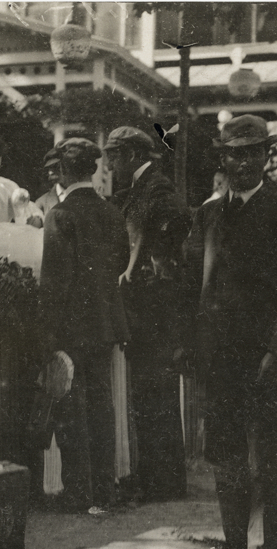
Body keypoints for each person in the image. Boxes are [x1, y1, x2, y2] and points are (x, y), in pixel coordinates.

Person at [179, 115, 277, 549]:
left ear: (266, 156)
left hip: (263, 362)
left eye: (253, 152)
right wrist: (190, 346)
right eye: (235, 153)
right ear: (223, 159)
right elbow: (191, 283)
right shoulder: (209, 214)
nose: (243, 162)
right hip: (218, 360)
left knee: (262, 460)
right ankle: (234, 544)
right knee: (225, 454)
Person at [38, 137, 130, 513]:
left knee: (72, 410)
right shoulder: (111, 212)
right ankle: (105, 491)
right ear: (94, 170)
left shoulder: (59, 215)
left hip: (71, 328)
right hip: (106, 323)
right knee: (102, 408)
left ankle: (79, 492)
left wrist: (46, 334)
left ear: (61, 171)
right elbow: (122, 260)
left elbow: (53, 282)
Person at [104, 125, 191, 502]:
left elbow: (175, 222)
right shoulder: (142, 188)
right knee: (150, 391)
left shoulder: (155, 186)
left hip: (154, 304)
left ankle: (163, 482)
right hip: (147, 301)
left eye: (113, 155)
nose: (109, 163)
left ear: (132, 156)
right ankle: (159, 478)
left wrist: (149, 262)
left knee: (156, 391)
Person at [35, 148, 64, 216]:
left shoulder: (81, 196)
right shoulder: (41, 202)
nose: (50, 172)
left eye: (55, 167)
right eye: (48, 168)